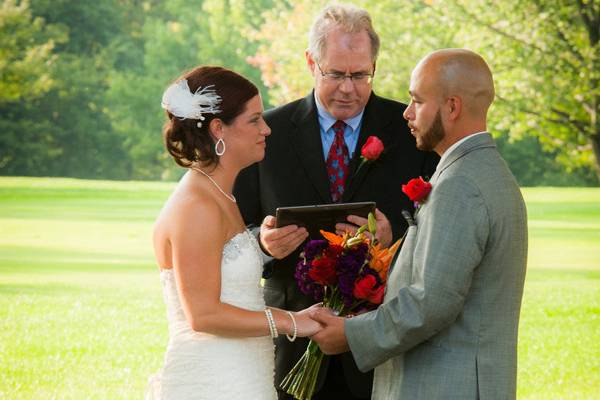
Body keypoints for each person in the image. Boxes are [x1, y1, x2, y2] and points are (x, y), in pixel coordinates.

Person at [234, 5, 438, 399]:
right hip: (292, 344)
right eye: (336, 74)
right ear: (312, 62)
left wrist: (391, 236)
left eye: (360, 74)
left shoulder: (411, 130)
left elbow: (438, 229)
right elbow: (231, 233)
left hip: (382, 346)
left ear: (374, 67)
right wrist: (263, 243)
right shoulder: (267, 134)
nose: (349, 87)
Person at [309, 48, 529, 399]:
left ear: (452, 107)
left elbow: (431, 302)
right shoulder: (485, 172)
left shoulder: (460, 185)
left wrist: (350, 334)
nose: (407, 114)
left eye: (417, 101)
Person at [146, 66, 321, 400]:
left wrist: (262, 248)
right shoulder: (197, 206)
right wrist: (292, 321)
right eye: (254, 120)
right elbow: (204, 314)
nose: (266, 129)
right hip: (213, 380)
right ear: (217, 129)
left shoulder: (219, 193)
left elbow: (223, 267)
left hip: (241, 373)